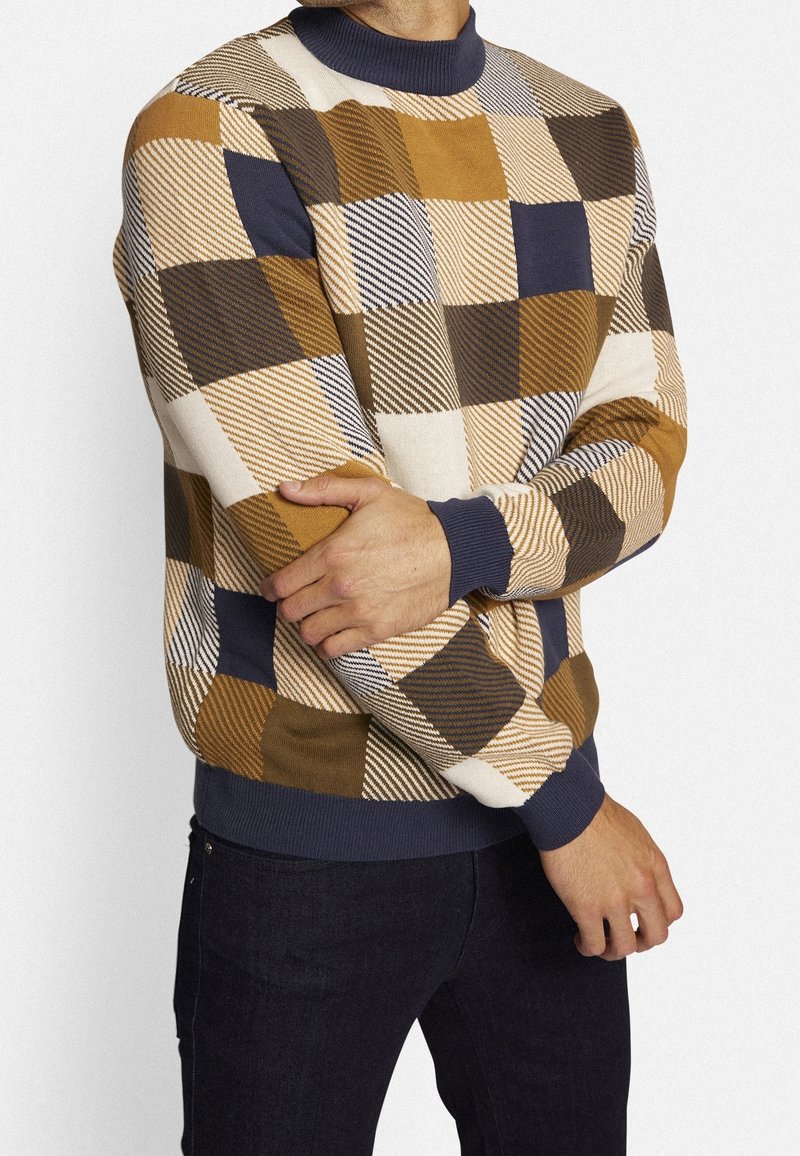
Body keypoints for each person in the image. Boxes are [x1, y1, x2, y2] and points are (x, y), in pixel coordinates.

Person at [112, 2, 687, 1152]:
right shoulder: (213, 127)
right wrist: (561, 801)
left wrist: (456, 544)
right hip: (317, 847)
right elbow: (329, 565)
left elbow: (642, 460)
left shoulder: (585, 131)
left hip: (541, 845)